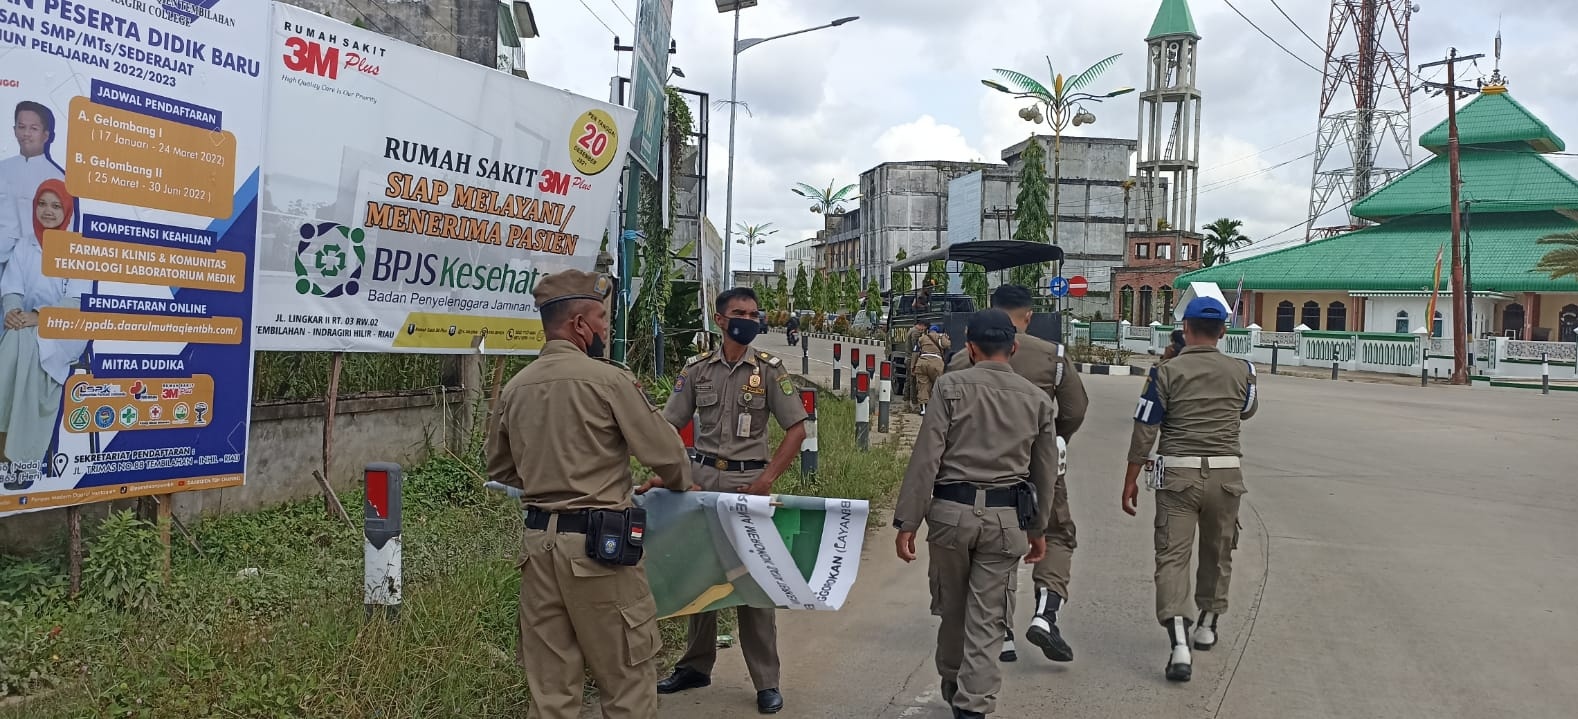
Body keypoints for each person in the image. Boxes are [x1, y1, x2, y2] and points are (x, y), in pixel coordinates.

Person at [484, 268, 693, 719]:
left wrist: (549, 480)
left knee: (552, 690)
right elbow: (669, 458)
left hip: (539, 550)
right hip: (601, 551)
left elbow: (499, 467)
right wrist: (675, 483)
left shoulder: (516, 387)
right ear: (579, 325)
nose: (606, 328)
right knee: (627, 682)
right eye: (601, 318)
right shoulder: (609, 381)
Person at [893, 309, 1059, 719]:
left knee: (952, 605)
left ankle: (952, 678)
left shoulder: (949, 387)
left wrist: (907, 522)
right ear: (1014, 347)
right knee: (988, 616)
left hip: (951, 515)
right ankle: (974, 706)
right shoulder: (1037, 399)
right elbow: (1045, 471)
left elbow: (925, 459)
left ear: (969, 347)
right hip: (1006, 521)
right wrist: (1039, 529)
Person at [657, 287, 809, 715]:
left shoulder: (769, 371)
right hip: (702, 484)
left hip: (748, 488)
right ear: (720, 320)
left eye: (754, 313)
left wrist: (767, 480)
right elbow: (670, 425)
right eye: (739, 313)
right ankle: (694, 666)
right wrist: (671, 473)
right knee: (700, 576)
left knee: (753, 584)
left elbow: (796, 427)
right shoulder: (697, 370)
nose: (749, 319)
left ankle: (766, 681)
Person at [944, 284, 1087, 664]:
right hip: (1038, 470)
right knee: (1056, 534)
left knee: (992, 546)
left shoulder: (963, 358)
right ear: (1028, 317)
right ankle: (1045, 613)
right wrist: (1051, 440)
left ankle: (1001, 631)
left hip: (981, 473)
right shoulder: (1052, 357)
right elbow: (1075, 408)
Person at [1121, 296, 1258, 683]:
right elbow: (1247, 409)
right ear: (1223, 332)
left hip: (1177, 475)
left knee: (1172, 556)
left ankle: (1179, 644)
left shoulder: (1164, 372)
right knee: (1219, 551)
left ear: (1185, 329)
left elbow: (1146, 426)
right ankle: (1207, 625)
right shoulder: (1243, 370)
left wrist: (1130, 478)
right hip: (1226, 475)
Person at [0, 180, 90, 470]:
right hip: (26, 326)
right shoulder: (25, 245)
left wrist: (40, 317)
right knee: (15, 339)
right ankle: (6, 447)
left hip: (66, 330)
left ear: (66, 210)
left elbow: (77, 303)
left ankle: (17, 455)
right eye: (42, 204)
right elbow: (11, 288)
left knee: (19, 343)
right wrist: (13, 310)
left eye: (55, 205)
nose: (47, 211)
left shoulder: (77, 249)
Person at [0, 102, 64, 272]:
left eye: (34, 128)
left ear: (46, 135)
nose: (26, 134)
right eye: (21, 127)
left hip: (34, 266)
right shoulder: (2, 169)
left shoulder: (58, 179)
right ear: (14, 130)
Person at [906, 320, 949, 414]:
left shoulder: (922, 338)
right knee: (938, 386)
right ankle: (937, 408)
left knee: (923, 386)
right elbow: (947, 345)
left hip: (922, 363)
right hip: (936, 364)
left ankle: (923, 409)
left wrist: (913, 367)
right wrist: (946, 337)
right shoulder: (940, 337)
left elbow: (915, 353)